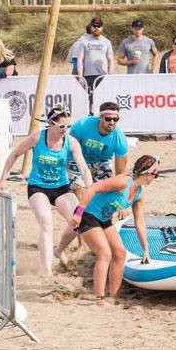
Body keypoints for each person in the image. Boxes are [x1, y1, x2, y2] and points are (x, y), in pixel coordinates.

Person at [0, 105, 92, 277]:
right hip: (38, 187)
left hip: (61, 187)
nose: (65, 130)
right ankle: (47, 271)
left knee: (78, 221)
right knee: (47, 224)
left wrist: (90, 189)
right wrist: (2, 179)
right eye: (62, 126)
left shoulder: (71, 142)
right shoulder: (37, 138)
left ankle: (59, 250)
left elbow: (84, 169)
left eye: (68, 126)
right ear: (52, 124)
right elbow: (14, 155)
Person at [68, 155, 159, 307]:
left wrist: (145, 248)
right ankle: (99, 299)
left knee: (120, 253)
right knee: (104, 253)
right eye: (156, 174)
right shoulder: (123, 181)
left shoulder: (139, 193)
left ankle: (114, 296)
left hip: (103, 219)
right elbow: (93, 188)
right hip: (87, 215)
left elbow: (140, 221)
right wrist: (78, 214)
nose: (155, 178)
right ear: (148, 173)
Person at [54, 102, 127, 259]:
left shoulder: (120, 139)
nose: (112, 123)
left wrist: (120, 199)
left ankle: (100, 237)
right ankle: (83, 244)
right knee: (83, 200)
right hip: (77, 161)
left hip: (101, 165)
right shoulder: (83, 125)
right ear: (100, 117)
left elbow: (121, 174)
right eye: (108, 119)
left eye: (116, 119)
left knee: (106, 203)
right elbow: (67, 146)